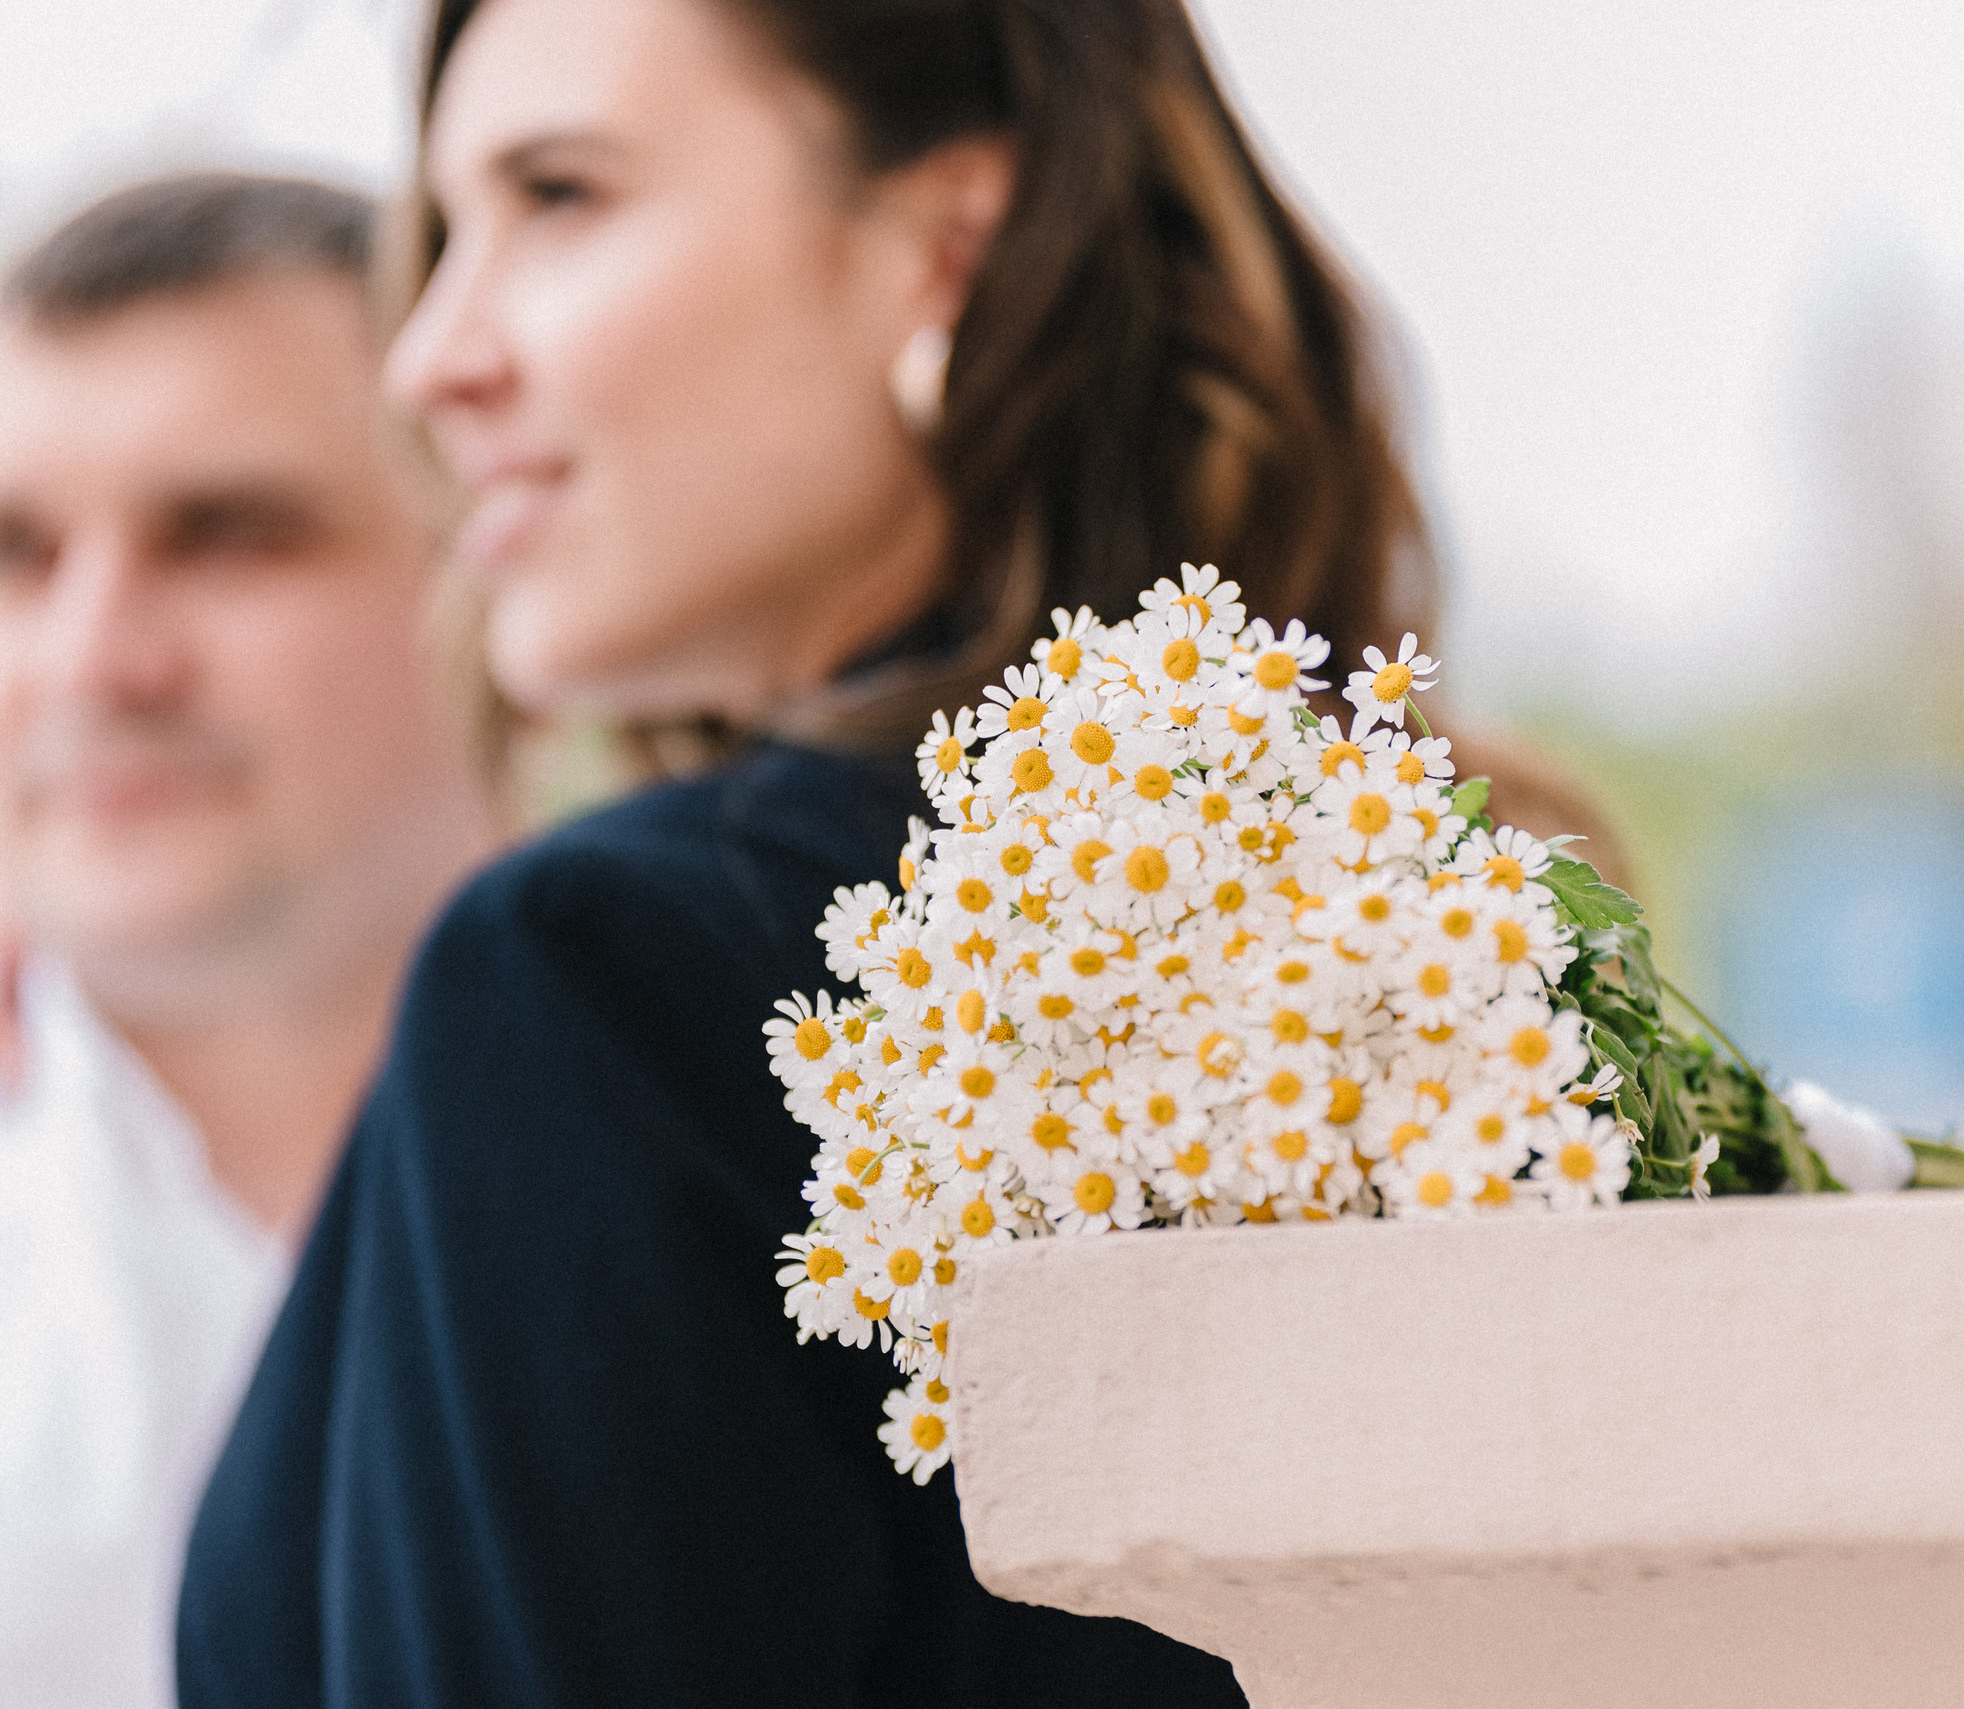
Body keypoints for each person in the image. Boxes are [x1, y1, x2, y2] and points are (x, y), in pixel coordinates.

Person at [169, 1, 1618, 1702]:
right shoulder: (1434, 967)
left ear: (949, 244)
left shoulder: (605, 976)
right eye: (446, 228)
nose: (429, 358)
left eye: (559, 196)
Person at [0, 173, 504, 1708]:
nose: (95, 655)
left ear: (502, 565)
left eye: (227, 534)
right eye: (13, 552)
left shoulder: (805, 1196)